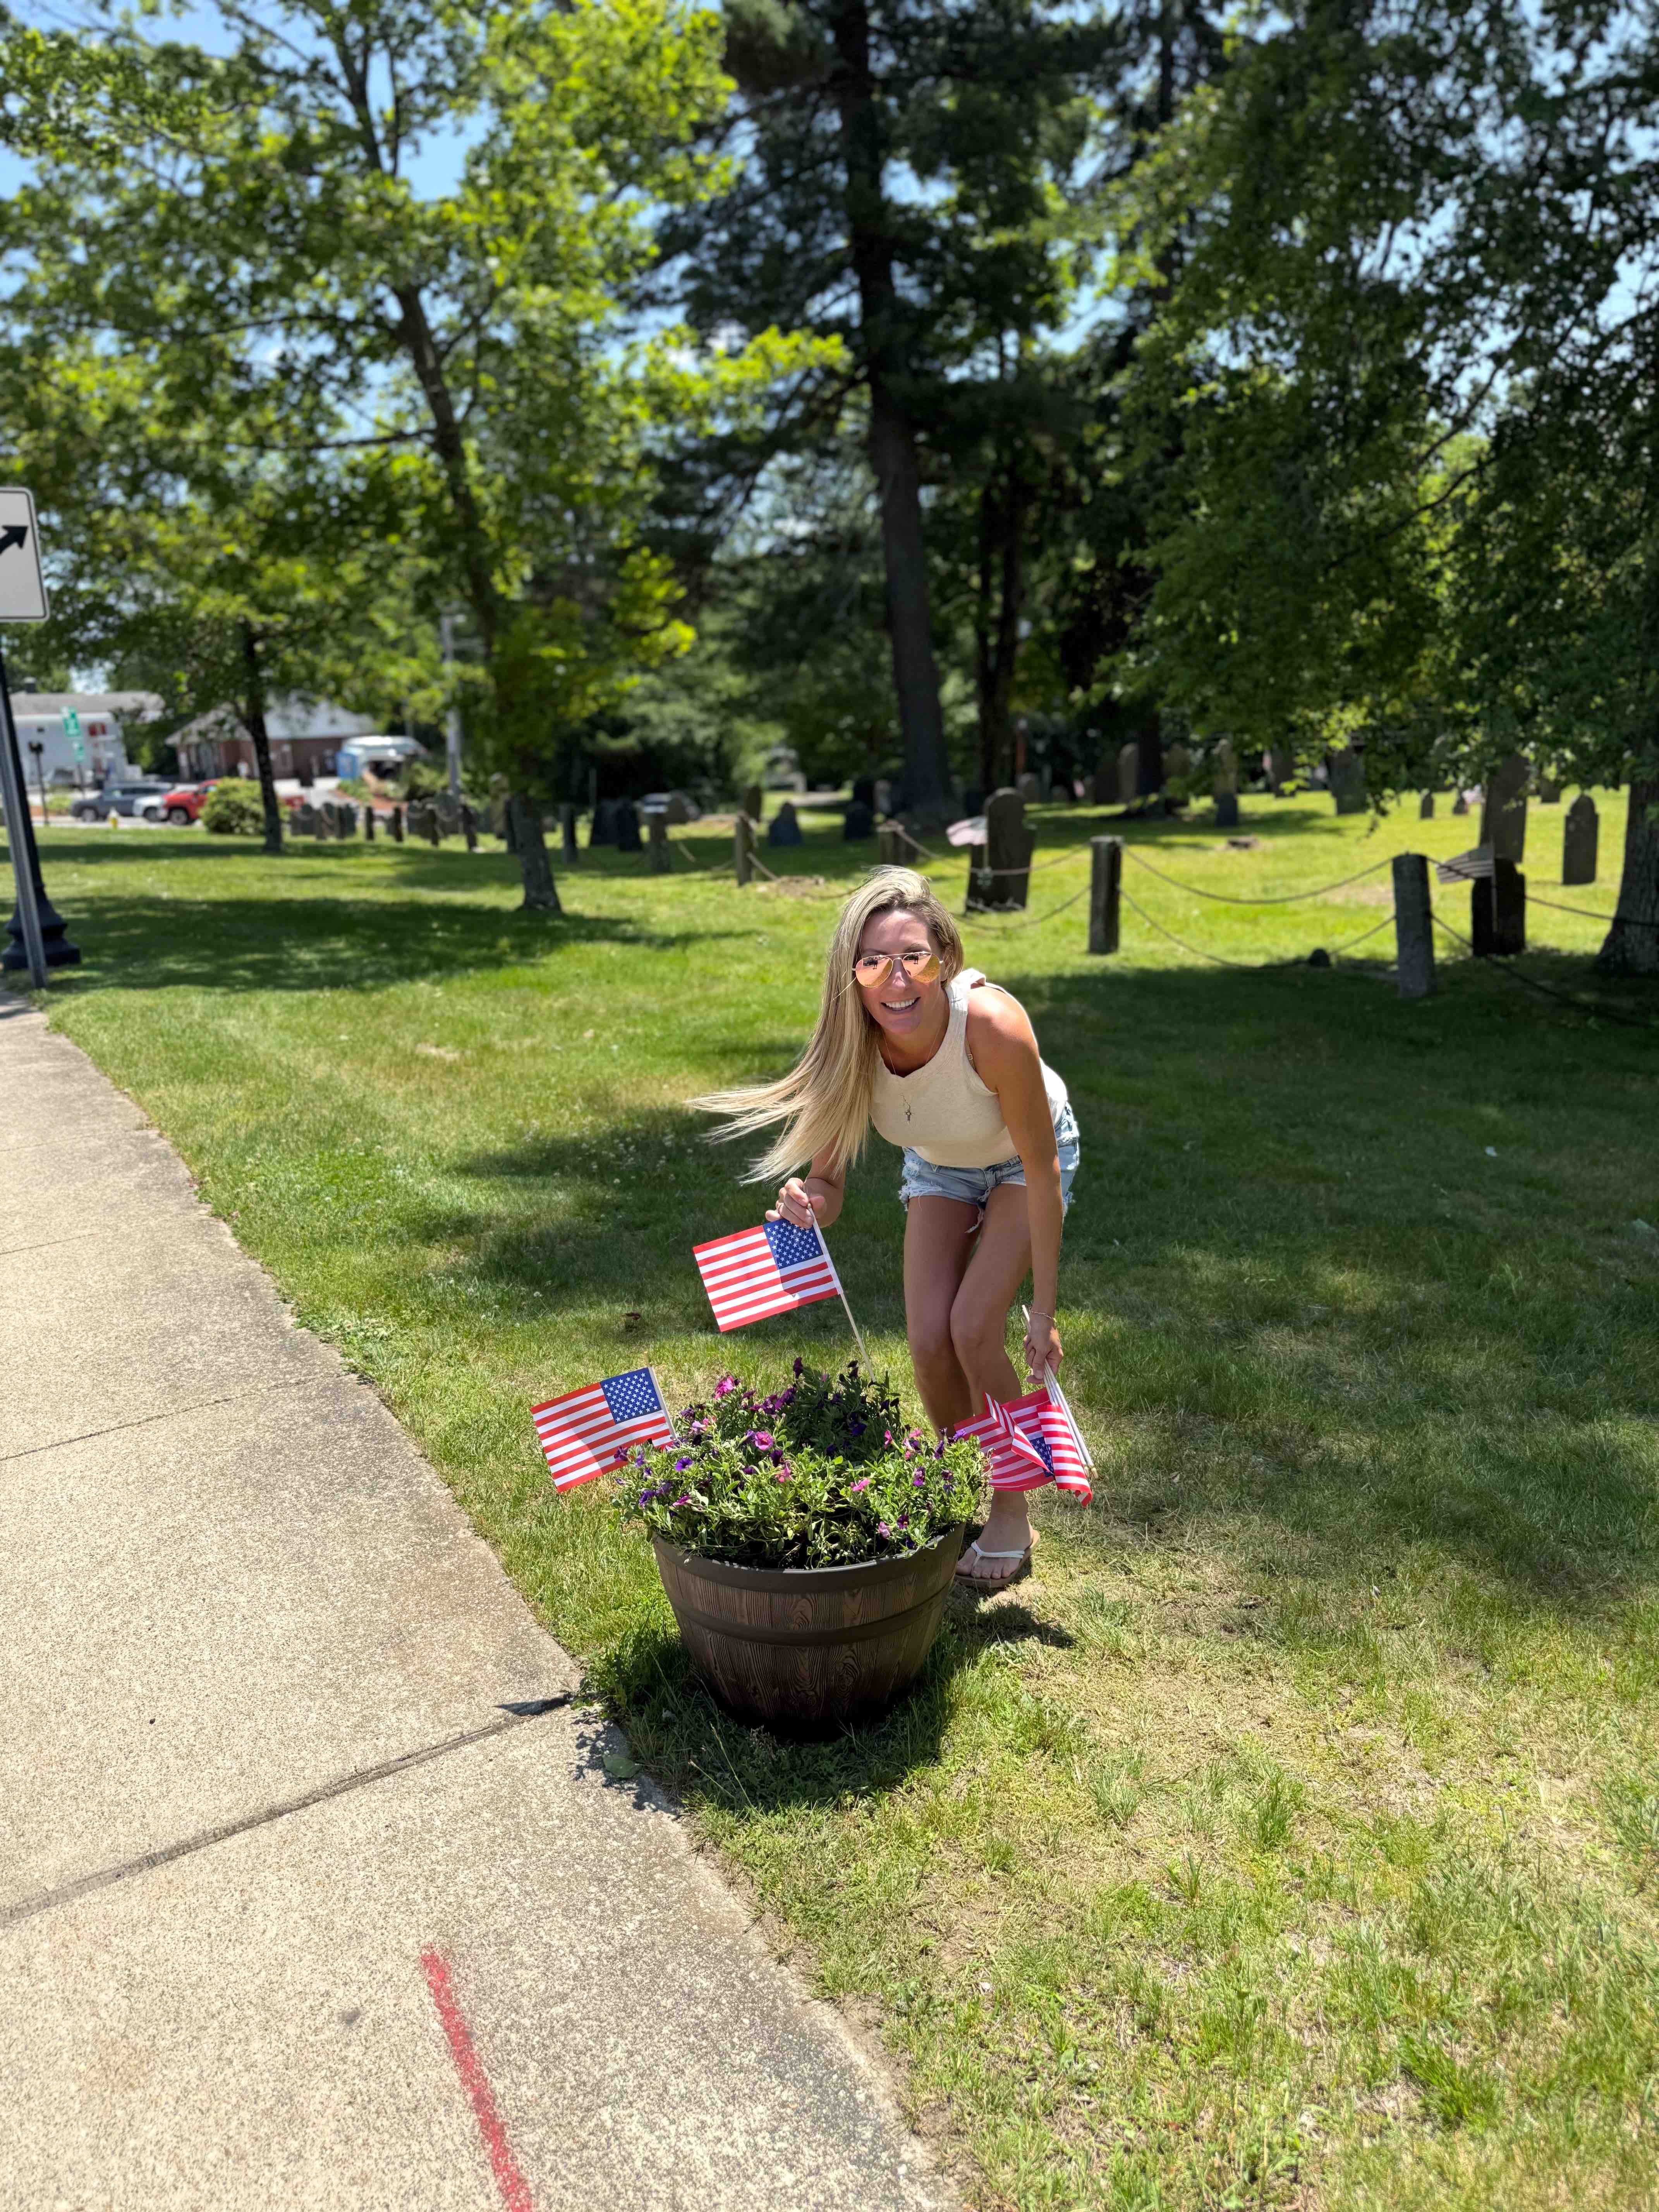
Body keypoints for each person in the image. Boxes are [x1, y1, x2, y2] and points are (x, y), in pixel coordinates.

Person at [694, 866, 1079, 1590]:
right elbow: (829, 1186)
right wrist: (808, 1202)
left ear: (946, 960)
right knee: (930, 1342)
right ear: (852, 975)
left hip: (1024, 1161)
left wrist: (1045, 1310)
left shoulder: (991, 1026)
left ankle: (1012, 1506)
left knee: (973, 1327)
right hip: (940, 1167)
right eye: (873, 962)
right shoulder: (851, 1052)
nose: (896, 981)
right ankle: (962, 1477)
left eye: (914, 958)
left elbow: (1044, 1167)